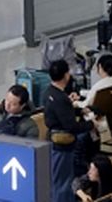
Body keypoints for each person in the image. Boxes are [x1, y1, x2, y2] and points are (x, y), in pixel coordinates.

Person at [44, 59, 94, 202]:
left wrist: (77, 111)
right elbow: (71, 126)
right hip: (62, 146)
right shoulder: (61, 98)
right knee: (64, 182)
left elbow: (61, 115)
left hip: (53, 142)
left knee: (57, 179)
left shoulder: (49, 92)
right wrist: (90, 125)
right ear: (66, 75)